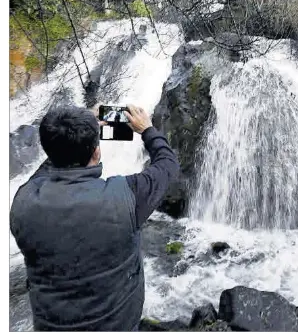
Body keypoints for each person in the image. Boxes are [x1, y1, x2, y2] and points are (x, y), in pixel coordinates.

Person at [10, 104, 180, 331]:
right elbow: (168, 165)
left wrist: (70, 138)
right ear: (97, 152)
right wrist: (147, 129)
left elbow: (47, 169)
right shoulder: (125, 197)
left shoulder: (24, 201)